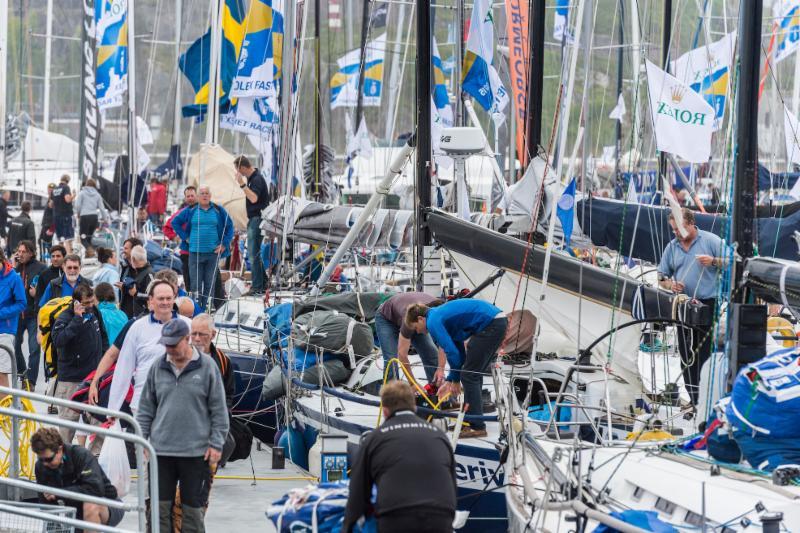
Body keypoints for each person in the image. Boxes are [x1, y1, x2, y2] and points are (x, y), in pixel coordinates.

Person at [137, 318, 229, 533]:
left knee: (193, 513)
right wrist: (142, 441)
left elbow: (219, 410)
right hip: (161, 452)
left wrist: (216, 444)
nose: (168, 349)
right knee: (159, 511)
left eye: (173, 344)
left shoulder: (207, 367)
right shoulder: (157, 367)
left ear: (187, 340)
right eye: (166, 344)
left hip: (196, 453)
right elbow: (145, 410)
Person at [343, 381, 456, 533]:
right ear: (414, 406)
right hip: (441, 518)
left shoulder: (375, 438)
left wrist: (347, 527)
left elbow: (358, 493)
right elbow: (452, 485)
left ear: (385, 411)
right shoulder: (439, 436)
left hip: (396, 518)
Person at [405, 299, 508, 439]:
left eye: (415, 327)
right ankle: (471, 419)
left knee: (469, 376)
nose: (417, 332)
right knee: (472, 374)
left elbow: (452, 353)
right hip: (497, 321)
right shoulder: (439, 315)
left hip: (491, 324)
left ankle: (477, 426)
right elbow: (459, 352)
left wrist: (455, 379)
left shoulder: (432, 321)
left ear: (420, 319)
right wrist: (451, 379)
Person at [93, 280, 192, 415]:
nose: (165, 302)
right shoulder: (137, 327)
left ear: (174, 299)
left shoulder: (189, 326)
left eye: (168, 298)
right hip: (143, 405)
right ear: (151, 300)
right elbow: (123, 368)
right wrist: (113, 409)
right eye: (160, 298)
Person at [658, 208, 725, 405]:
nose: (676, 233)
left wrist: (713, 261)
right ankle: (695, 400)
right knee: (686, 355)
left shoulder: (710, 240)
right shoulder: (672, 247)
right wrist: (671, 285)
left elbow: (734, 261)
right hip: (684, 305)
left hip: (707, 304)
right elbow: (661, 276)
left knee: (704, 353)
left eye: (679, 229)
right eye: (673, 230)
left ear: (690, 224)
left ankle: (706, 399)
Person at [31, 427, 124, 528]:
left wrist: (59, 492)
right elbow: (45, 506)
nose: (45, 463)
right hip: (75, 509)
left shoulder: (81, 455)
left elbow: (95, 490)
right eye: (41, 459)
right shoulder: (40, 466)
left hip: (107, 502)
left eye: (49, 459)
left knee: (90, 505)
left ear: (59, 449)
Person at [51, 284, 109, 445]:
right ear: (76, 302)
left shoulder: (94, 312)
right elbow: (58, 341)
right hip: (71, 380)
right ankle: (64, 463)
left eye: (92, 301)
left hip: (93, 378)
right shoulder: (64, 318)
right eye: (86, 303)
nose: (91, 305)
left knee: (101, 423)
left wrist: (104, 363)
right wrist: (77, 319)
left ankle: (93, 460)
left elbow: (103, 337)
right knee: (67, 429)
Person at [172, 185, 234, 310]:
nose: (205, 195)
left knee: (209, 285)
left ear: (210, 196)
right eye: (202, 193)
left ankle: (207, 309)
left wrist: (224, 244)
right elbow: (175, 222)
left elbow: (230, 227)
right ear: (198, 197)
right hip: (195, 254)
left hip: (213, 253)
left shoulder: (218, 210)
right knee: (195, 285)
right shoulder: (191, 210)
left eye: (207, 193)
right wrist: (185, 237)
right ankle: (196, 309)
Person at [376, 292, 445, 385]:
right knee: (391, 360)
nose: (418, 333)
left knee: (431, 352)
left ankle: (437, 390)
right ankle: (391, 395)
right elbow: (402, 354)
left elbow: (444, 345)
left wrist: (441, 369)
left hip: (411, 315)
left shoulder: (439, 315)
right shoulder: (409, 320)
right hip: (386, 318)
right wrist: (413, 384)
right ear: (420, 319)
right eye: (416, 329)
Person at [234, 155, 271, 294]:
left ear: (242, 167)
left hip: (257, 219)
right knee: (255, 253)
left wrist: (241, 184)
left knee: (252, 253)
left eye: (238, 170)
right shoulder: (253, 179)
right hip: (255, 219)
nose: (238, 173)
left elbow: (254, 198)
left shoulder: (256, 179)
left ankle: (257, 286)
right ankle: (264, 281)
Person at [13, 240, 45, 388]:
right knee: (14, 345)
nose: (20, 254)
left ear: (31, 253)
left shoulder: (40, 268)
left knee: (34, 348)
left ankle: (30, 381)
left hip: (33, 314)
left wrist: (36, 294)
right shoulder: (15, 269)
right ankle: (22, 372)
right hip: (18, 315)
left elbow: (45, 291)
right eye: (18, 251)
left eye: (23, 251)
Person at [0, 248, 26, 390]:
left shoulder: (13, 277)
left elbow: (22, 303)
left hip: (5, 330)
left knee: (1, 373)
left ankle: (3, 412)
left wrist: (1, 313)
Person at [164, 186, 197, 290]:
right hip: (187, 253)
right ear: (185, 198)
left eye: (192, 196)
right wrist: (175, 238)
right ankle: (191, 303)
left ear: (197, 196)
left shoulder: (205, 211)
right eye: (188, 196)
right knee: (189, 283)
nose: (190, 198)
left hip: (203, 252)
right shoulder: (181, 213)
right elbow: (167, 227)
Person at [118, 244, 154, 318]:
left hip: (144, 316)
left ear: (133, 259)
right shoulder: (139, 271)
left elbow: (152, 297)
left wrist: (136, 293)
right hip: (136, 314)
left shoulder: (149, 274)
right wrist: (124, 288)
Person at [74, 178, 110, 250]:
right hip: (94, 217)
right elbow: (102, 208)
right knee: (89, 238)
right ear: (94, 186)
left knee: (83, 238)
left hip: (84, 217)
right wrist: (105, 219)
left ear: (86, 184)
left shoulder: (82, 193)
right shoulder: (97, 195)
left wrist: (78, 213)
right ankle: (90, 253)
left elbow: (77, 206)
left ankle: (90, 252)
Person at [34, 244, 66, 310]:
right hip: (50, 311)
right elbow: (39, 297)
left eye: (58, 256)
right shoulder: (44, 274)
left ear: (64, 257)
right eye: (53, 256)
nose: (55, 259)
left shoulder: (69, 272)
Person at [51, 174, 74, 253]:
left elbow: (50, 204)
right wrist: (74, 195)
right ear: (67, 181)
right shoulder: (66, 187)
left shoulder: (54, 189)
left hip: (56, 217)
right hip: (66, 216)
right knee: (68, 238)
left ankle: (61, 256)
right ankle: (70, 257)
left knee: (60, 239)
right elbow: (67, 199)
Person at [39, 184, 57, 258]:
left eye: (51, 190)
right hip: (45, 224)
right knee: (43, 242)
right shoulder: (50, 199)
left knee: (43, 242)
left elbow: (55, 215)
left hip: (49, 226)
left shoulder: (53, 200)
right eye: (49, 189)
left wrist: (52, 228)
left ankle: (45, 258)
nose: (49, 191)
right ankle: (48, 257)